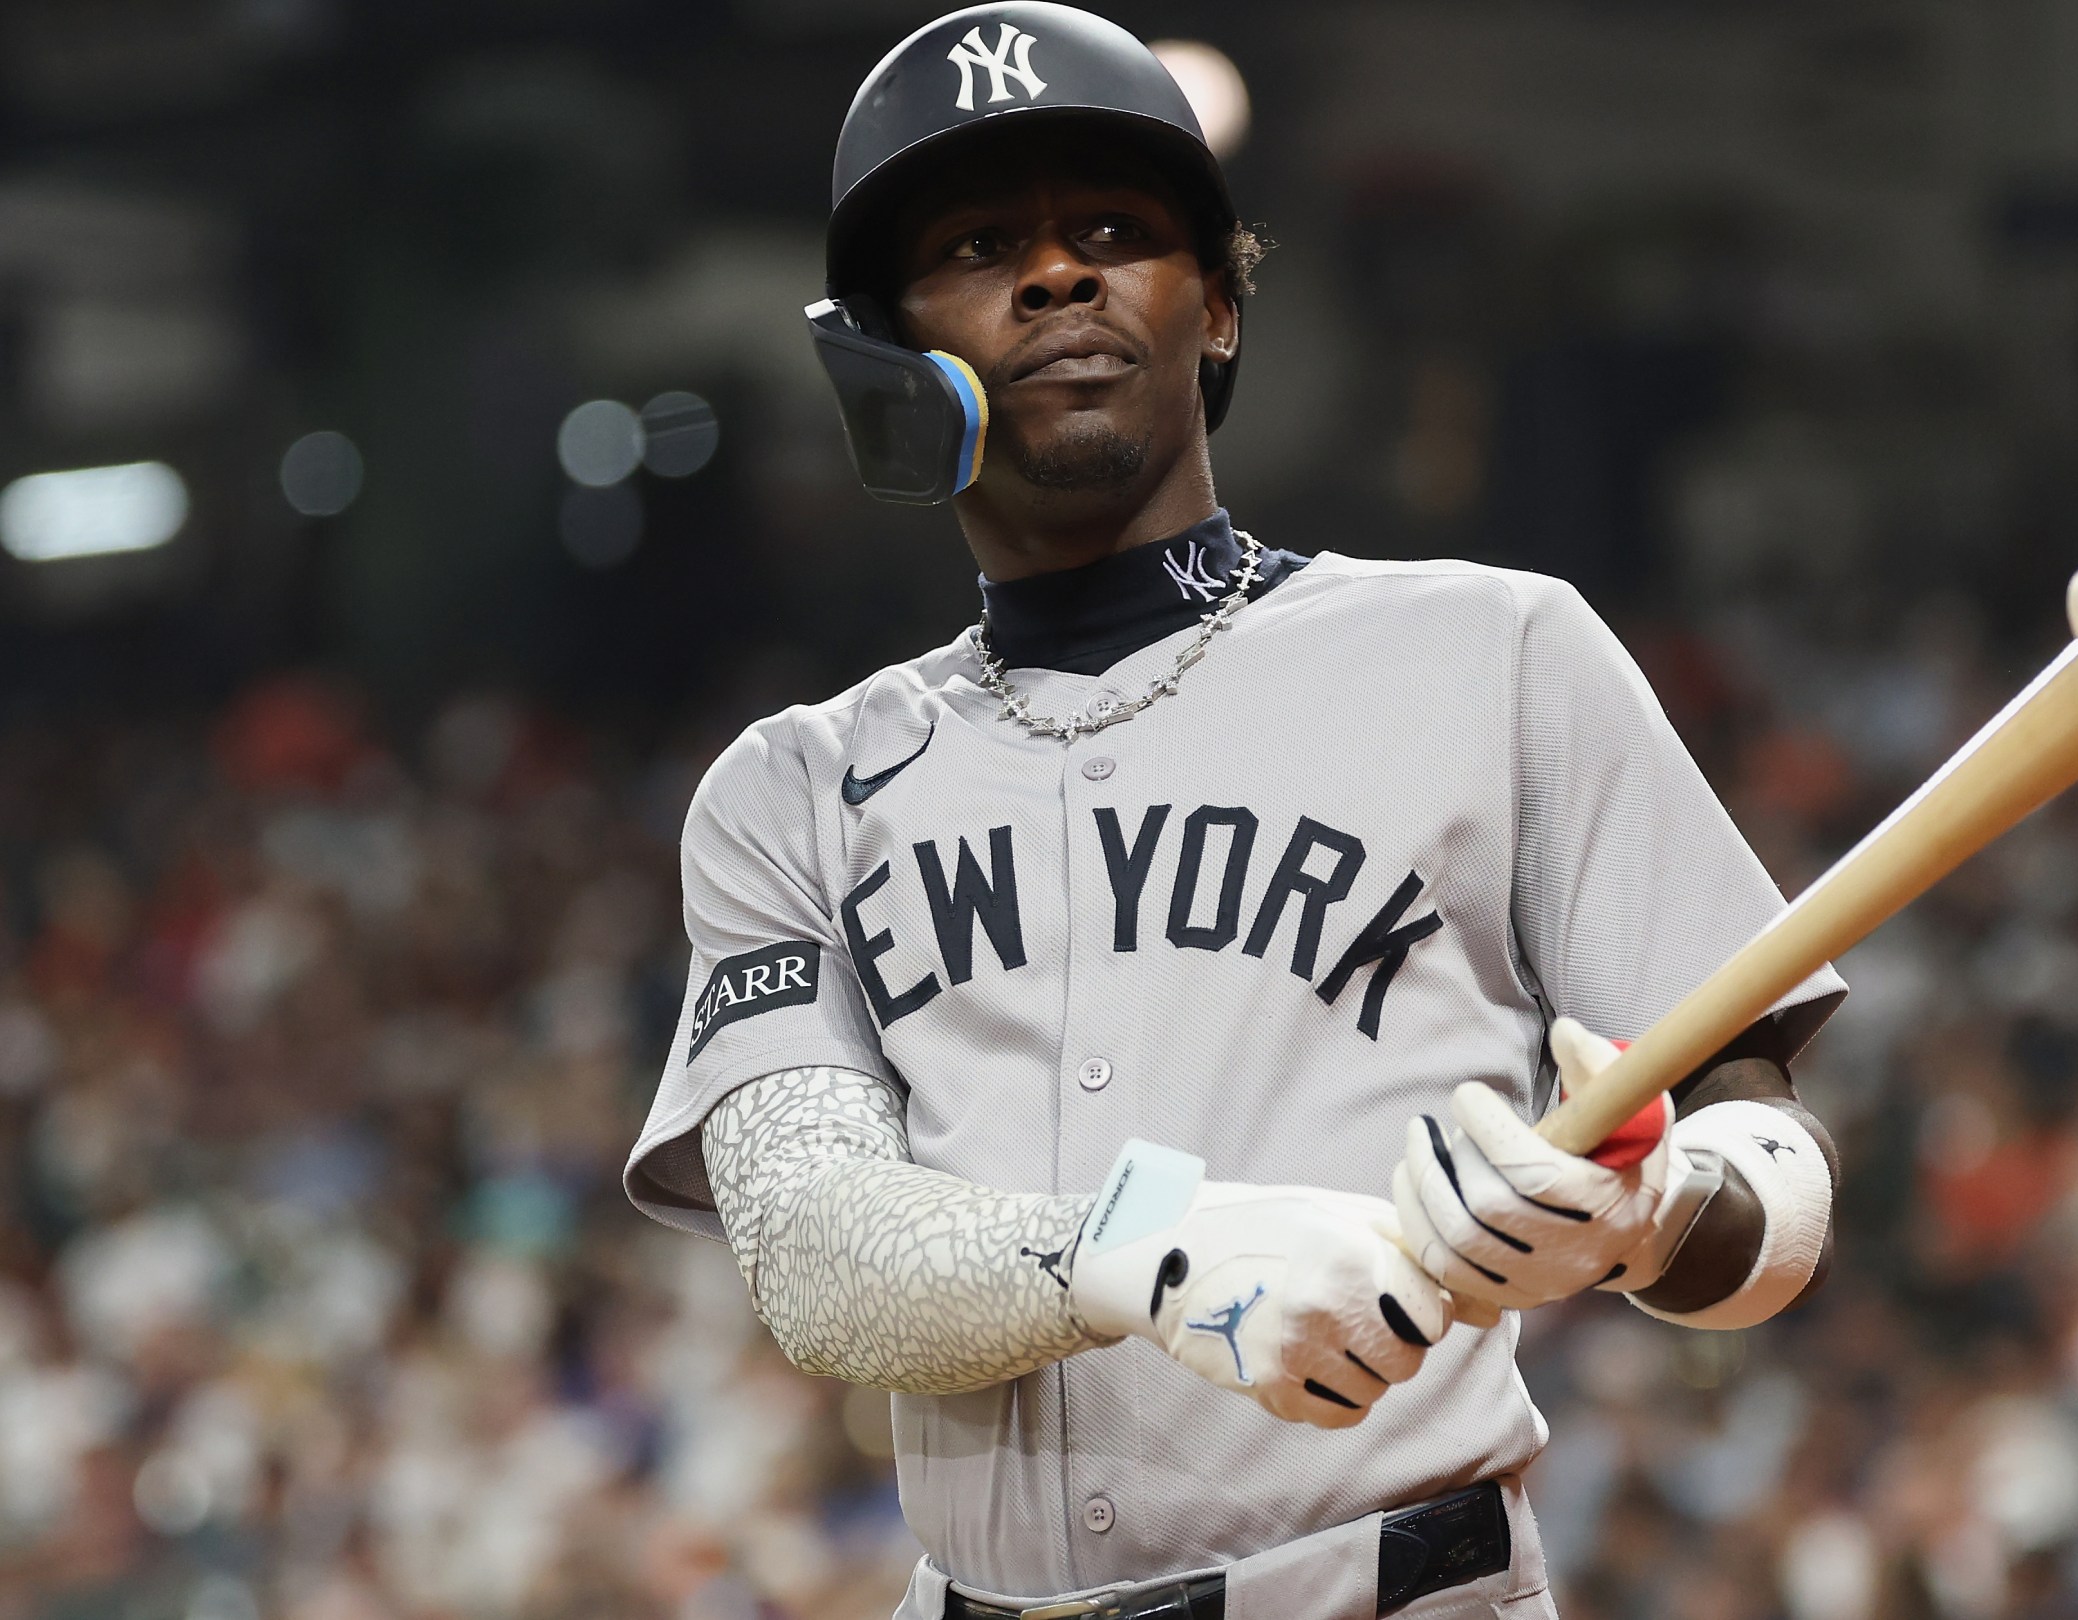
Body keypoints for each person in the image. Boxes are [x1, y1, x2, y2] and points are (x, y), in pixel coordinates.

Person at [619, 7, 1845, 1617]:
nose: (1058, 276)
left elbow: (1776, 1171)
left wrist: (1648, 1209)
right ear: (883, 359)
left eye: (1117, 231)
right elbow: (816, 1252)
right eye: (983, 245)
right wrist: (1156, 1253)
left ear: (1218, 305)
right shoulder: (792, 790)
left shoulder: (1497, 650)